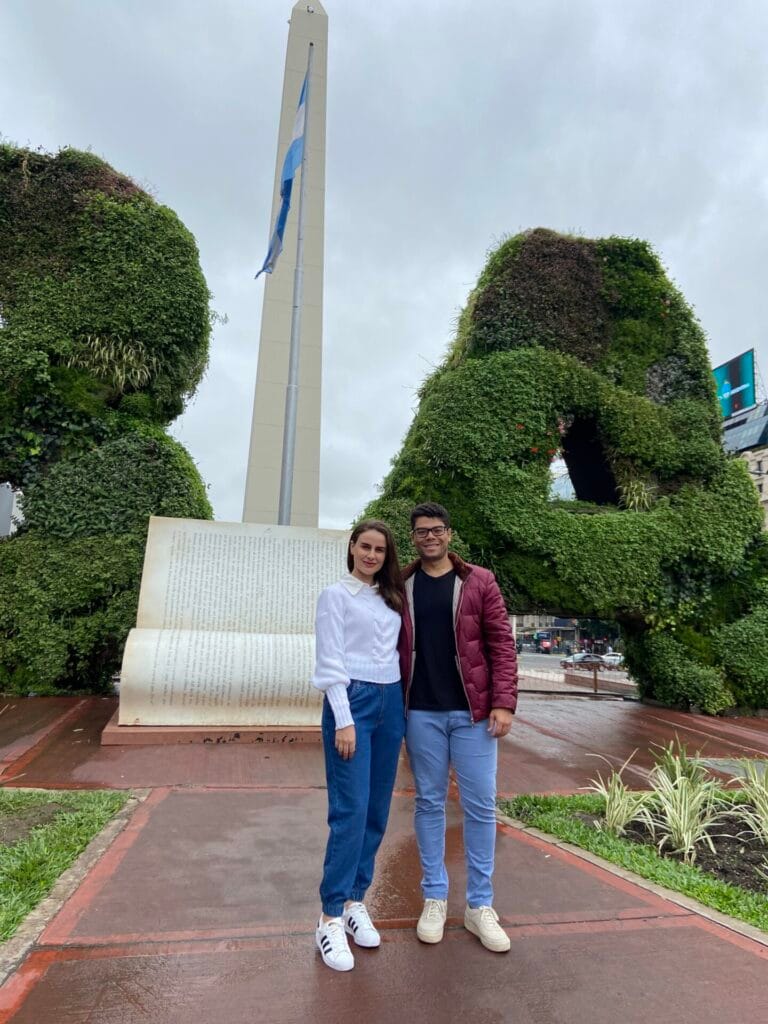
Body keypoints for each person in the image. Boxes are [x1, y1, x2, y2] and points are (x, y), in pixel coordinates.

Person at [399, 502, 517, 953]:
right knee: (429, 803)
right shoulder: (401, 584)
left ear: (450, 533)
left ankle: (479, 905)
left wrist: (503, 703)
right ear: (413, 537)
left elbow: (501, 645)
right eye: (421, 531)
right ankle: (434, 896)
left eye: (437, 529)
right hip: (421, 713)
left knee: (481, 807)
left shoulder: (479, 581)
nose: (429, 536)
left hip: (473, 715)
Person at [310, 519, 405, 972]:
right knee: (349, 810)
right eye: (364, 546)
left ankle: (354, 901)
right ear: (351, 548)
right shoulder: (335, 595)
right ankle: (329, 916)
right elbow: (329, 660)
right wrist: (344, 720)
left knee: (376, 811)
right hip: (354, 703)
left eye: (380, 550)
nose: (371, 555)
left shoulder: (390, 597)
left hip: (392, 701)